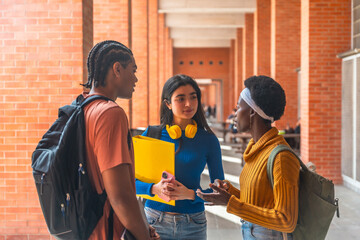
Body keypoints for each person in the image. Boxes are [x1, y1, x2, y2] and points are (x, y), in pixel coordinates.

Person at [197, 75, 300, 240]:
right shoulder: (257, 149)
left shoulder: (281, 158)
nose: (235, 114)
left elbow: (286, 220)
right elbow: (259, 202)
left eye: (238, 107)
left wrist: (231, 203)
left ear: (252, 111)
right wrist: (230, 193)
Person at [81, 40, 159, 240]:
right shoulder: (110, 113)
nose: (136, 79)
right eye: (133, 70)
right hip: (108, 230)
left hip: (87, 227)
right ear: (117, 69)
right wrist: (144, 236)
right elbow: (120, 197)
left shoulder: (83, 107)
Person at [136, 74, 225, 240]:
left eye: (193, 97)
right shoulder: (152, 134)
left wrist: (191, 194)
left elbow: (220, 192)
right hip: (154, 221)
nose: (189, 104)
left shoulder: (208, 140)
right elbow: (130, 183)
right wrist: (154, 189)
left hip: (194, 224)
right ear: (168, 104)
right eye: (180, 98)